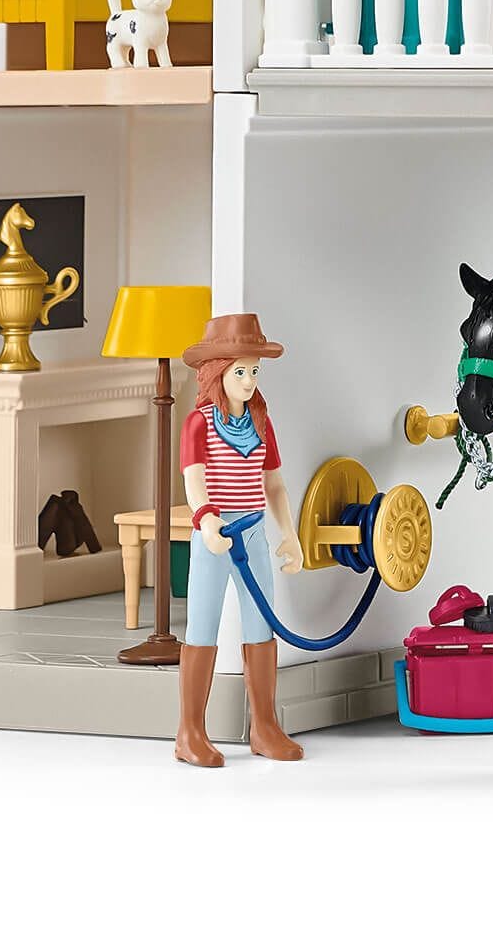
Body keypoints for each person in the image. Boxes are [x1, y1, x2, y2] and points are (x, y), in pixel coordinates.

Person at [174, 313, 304, 767]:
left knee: (260, 625)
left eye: (254, 371)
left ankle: (264, 726)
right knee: (202, 626)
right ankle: (190, 732)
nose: (249, 381)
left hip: (252, 533)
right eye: (240, 372)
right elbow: (194, 480)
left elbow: (275, 485)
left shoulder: (261, 423)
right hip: (215, 536)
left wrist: (289, 533)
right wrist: (206, 520)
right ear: (218, 373)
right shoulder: (198, 424)